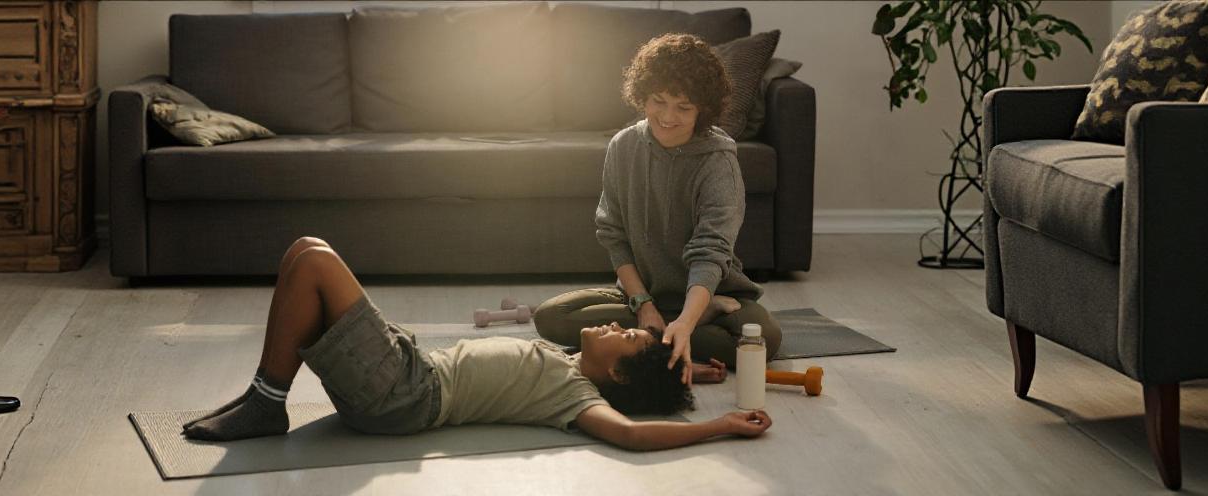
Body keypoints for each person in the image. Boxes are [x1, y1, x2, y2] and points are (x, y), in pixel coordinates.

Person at [183, 237, 772, 451]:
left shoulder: (574, 397)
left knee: (315, 257)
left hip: (404, 393)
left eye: (625, 338)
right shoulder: (568, 361)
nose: (617, 327)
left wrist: (720, 426)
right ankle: (261, 397)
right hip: (405, 369)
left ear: (617, 375)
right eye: (627, 326)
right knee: (301, 255)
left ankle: (267, 404)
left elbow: (633, 434)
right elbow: (644, 377)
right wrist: (690, 371)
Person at [534, 33, 782, 382]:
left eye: (684, 107)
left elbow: (710, 251)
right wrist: (643, 305)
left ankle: (667, 332)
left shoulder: (718, 160)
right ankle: (668, 341)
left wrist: (687, 319)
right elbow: (613, 234)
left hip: (712, 291)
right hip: (640, 295)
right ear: (643, 96)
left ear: (703, 109)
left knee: (762, 341)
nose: (667, 116)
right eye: (658, 101)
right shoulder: (623, 146)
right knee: (550, 317)